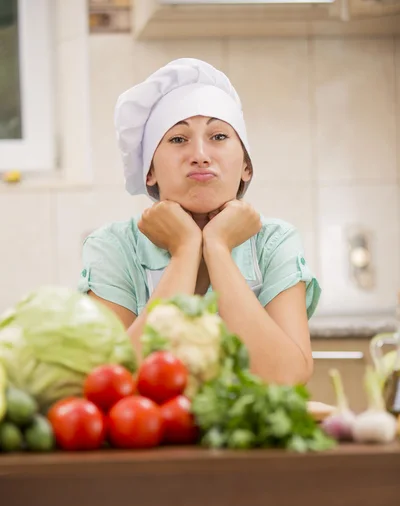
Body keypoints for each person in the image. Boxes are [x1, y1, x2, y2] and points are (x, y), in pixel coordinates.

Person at [78, 58, 321, 385]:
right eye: (178, 139)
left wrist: (217, 248)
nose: (201, 155)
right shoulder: (113, 247)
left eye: (219, 136)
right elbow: (114, 381)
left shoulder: (274, 241)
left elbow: (288, 376)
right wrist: (185, 250)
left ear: (246, 166)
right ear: (149, 170)